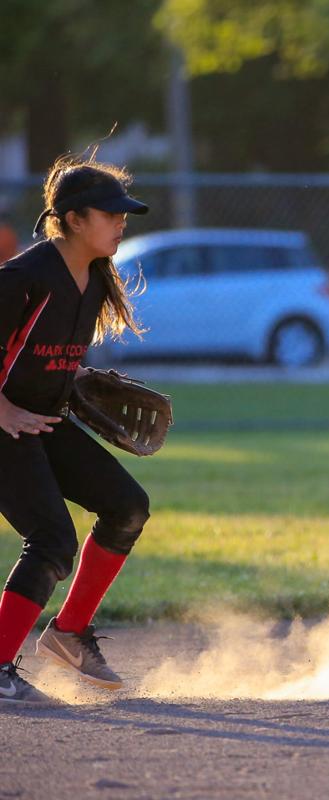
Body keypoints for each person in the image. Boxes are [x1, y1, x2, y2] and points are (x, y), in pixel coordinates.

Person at [0, 155, 150, 704]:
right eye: (110, 214)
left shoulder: (92, 277)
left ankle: (67, 633)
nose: (121, 222)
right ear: (75, 218)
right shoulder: (24, 276)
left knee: (126, 506)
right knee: (51, 541)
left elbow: (35, 353)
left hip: (42, 417)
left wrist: (74, 377)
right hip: (5, 422)